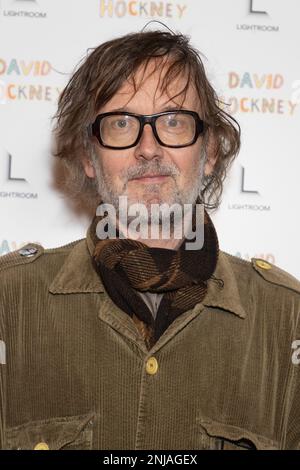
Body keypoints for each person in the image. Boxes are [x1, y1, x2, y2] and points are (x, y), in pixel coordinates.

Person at [0, 29, 300, 451]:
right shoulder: (8, 301)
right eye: (121, 123)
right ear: (89, 156)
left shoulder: (288, 317)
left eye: (174, 121)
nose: (148, 148)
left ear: (210, 150)